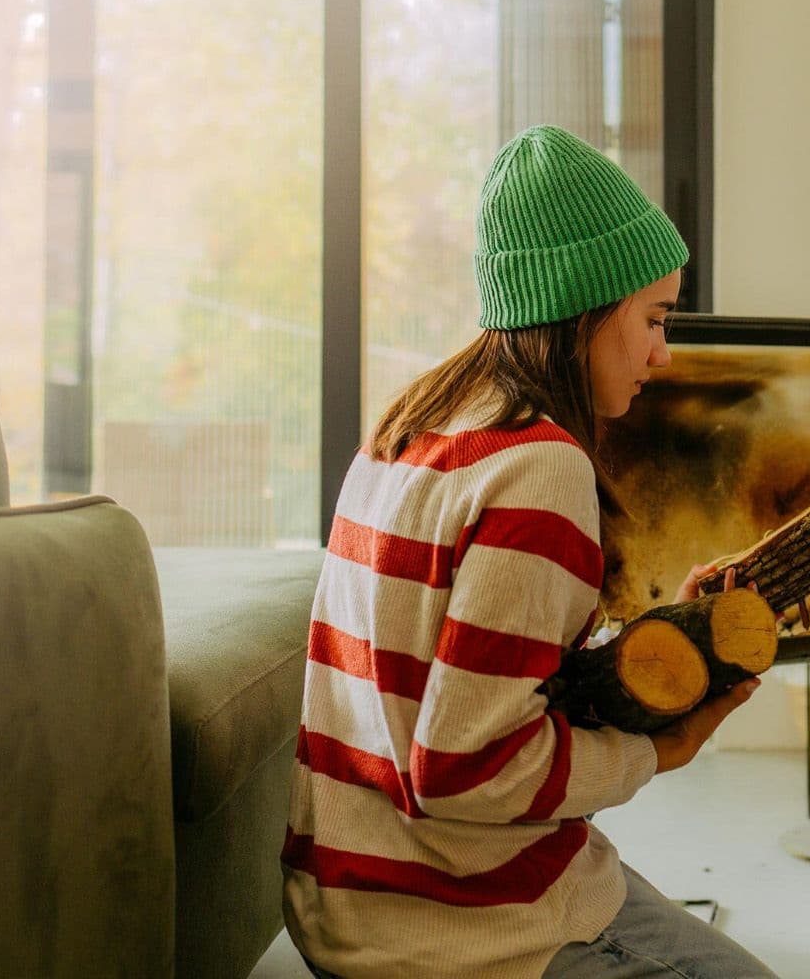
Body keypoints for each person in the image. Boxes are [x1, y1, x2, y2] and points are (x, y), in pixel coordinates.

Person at [283, 125, 778, 978]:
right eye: (654, 317)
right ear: (584, 309)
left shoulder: (415, 422)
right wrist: (657, 753)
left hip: (341, 897)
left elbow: (466, 681)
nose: (663, 352)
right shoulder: (538, 464)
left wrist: (661, 641)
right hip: (454, 922)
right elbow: (468, 770)